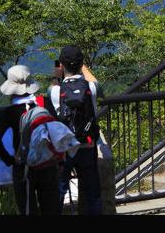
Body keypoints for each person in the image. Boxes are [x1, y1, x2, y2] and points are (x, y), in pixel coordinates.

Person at [0, 65, 59, 215]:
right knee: (51, 208)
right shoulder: (44, 103)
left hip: (23, 166)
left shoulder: (9, 112)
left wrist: (10, 160)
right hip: (48, 163)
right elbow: (57, 128)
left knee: (27, 209)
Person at [47, 45, 102, 215]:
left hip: (66, 149)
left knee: (59, 191)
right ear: (81, 63)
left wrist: (56, 76)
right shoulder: (91, 88)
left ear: (61, 65)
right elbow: (95, 82)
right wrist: (82, 66)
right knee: (93, 193)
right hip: (87, 145)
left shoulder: (55, 91)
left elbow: (51, 91)